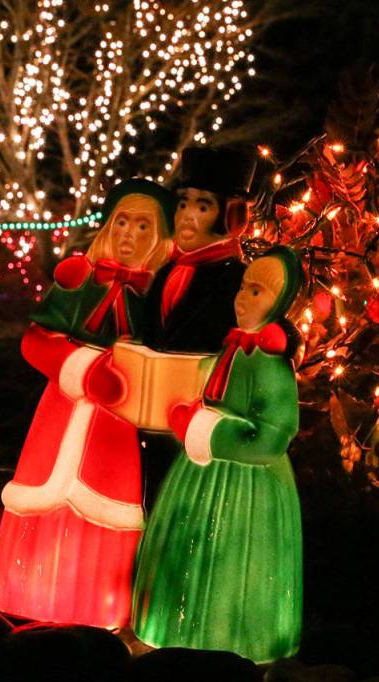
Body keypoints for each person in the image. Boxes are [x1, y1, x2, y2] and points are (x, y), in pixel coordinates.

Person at [0, 178, 174, 628]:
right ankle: (26, 590)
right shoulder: (79, 279)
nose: (129, 234)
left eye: (143, 226)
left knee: (107, 499)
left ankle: (98, 604)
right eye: (122, 222)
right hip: (63, 409)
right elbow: (35, 341)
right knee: (42, 493)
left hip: (119, 424)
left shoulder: (161, 297)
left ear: (162, 238)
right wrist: (82, 369)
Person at [132, 246, 305, 663]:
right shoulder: (233, 349)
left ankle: (232, 638)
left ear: (278, 304)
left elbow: (272, 434)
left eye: (257, 292)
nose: (242, 298)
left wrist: (206, 430)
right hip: (199, 468)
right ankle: (174, 632)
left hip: (248, 483)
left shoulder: (270, 364)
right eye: (243, 288)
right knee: (187, 547)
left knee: (233, 562)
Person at [140, 146, 257, 510]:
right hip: (149, 425)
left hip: (199, 433)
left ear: (230, 214)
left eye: (203, 206)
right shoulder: (164, 273)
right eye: (183, 203)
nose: (188, 217)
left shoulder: (240, 281)